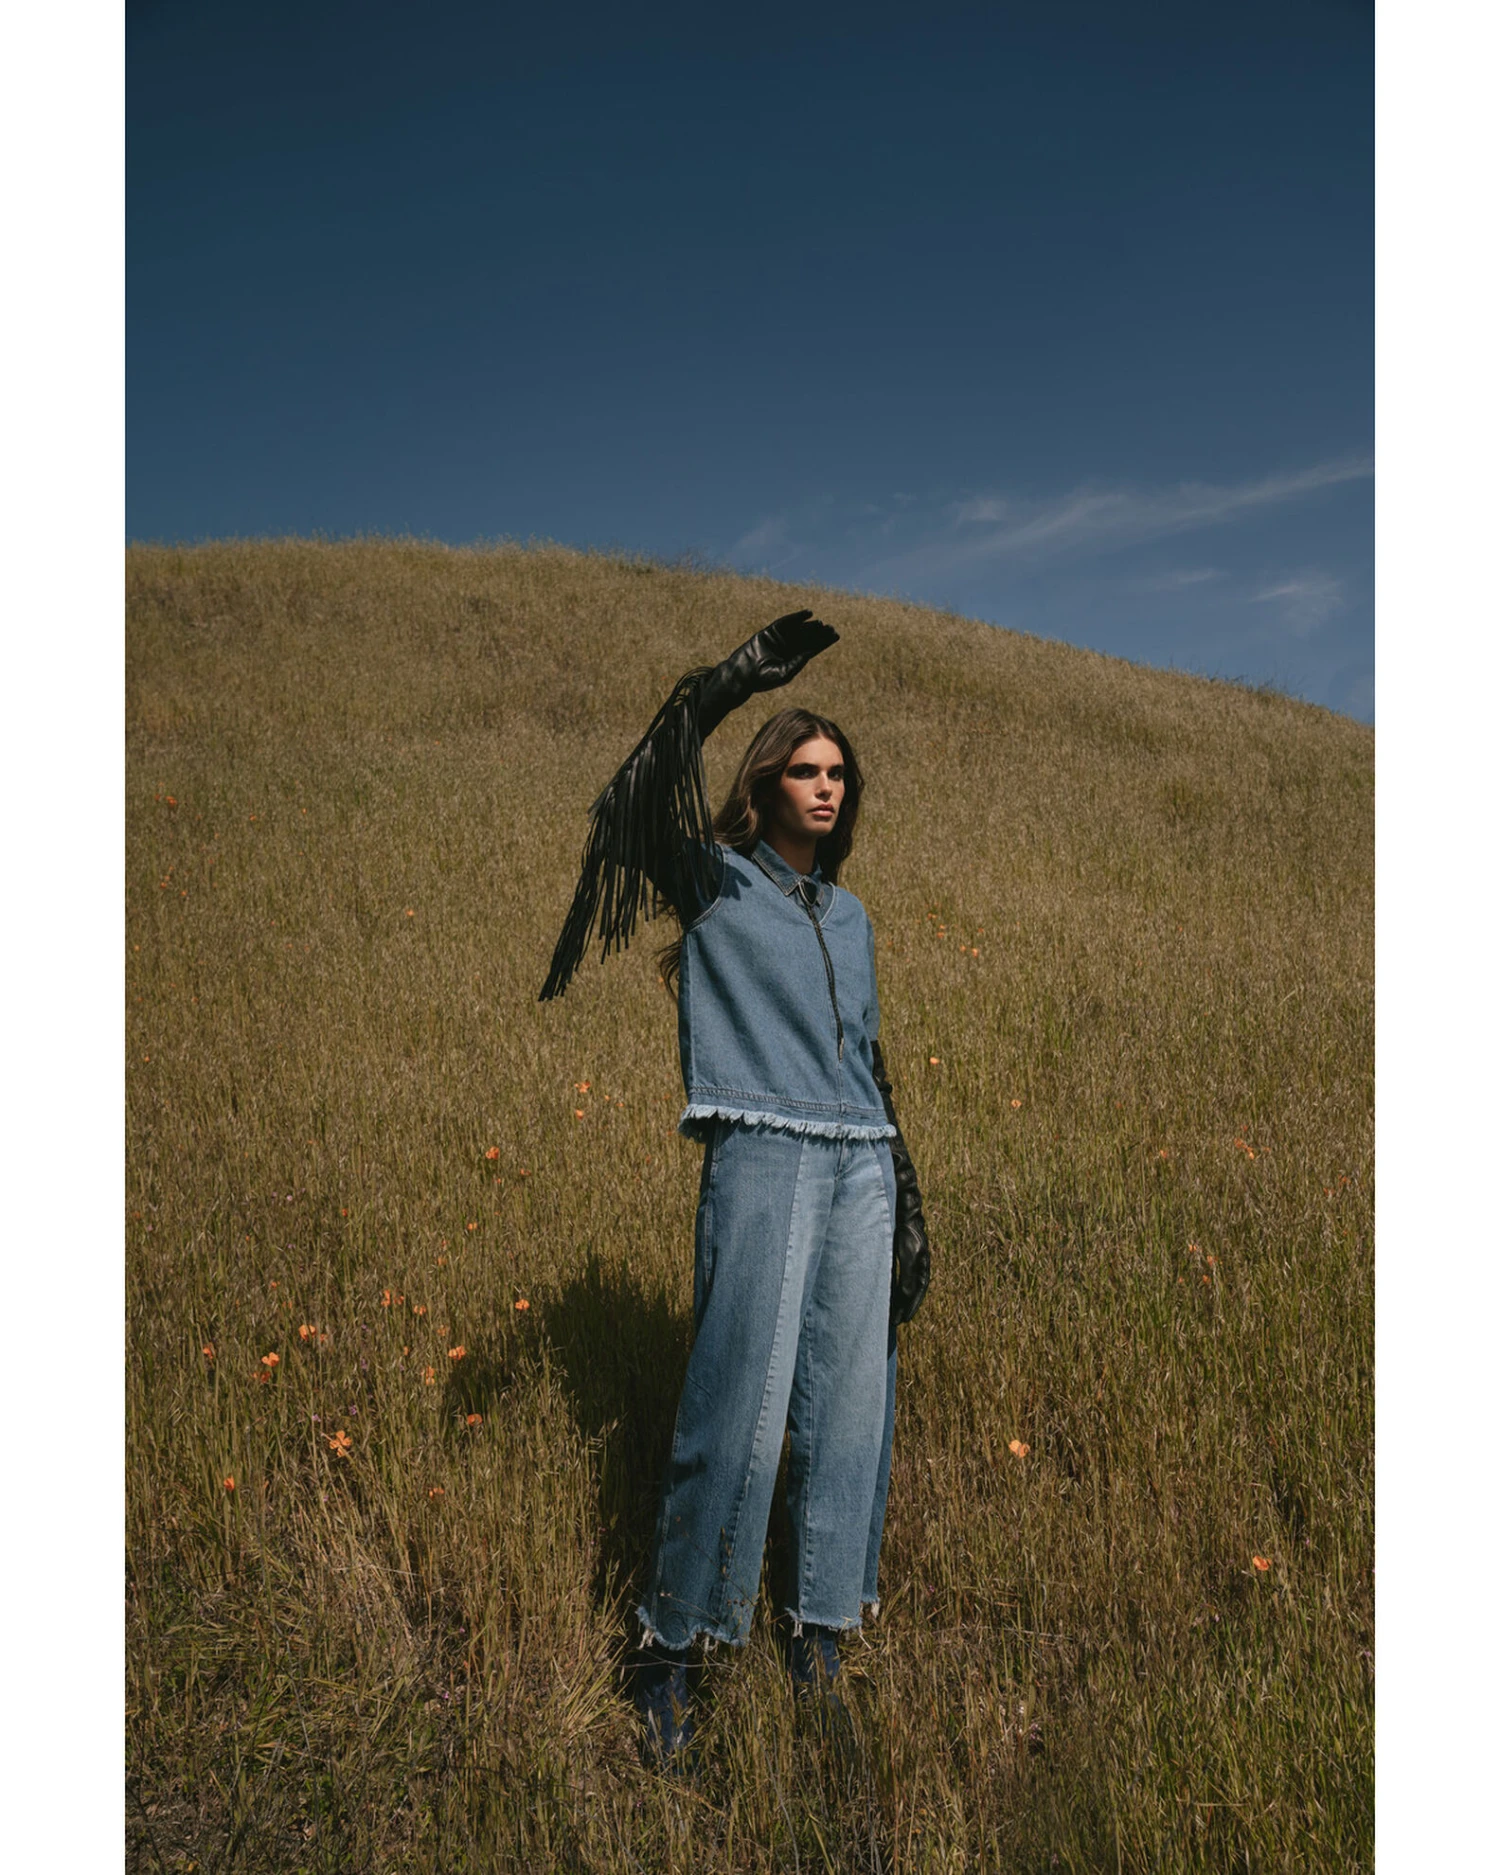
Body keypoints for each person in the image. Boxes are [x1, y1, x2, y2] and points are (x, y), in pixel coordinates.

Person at [539, 610, 930, 1769]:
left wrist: (909, 1201)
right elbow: (627, 804)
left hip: (862, 1164)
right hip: (761, 1151)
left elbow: (870, 1062)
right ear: (763, 785)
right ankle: (671, 1648)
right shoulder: (713, 881)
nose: (827, 786)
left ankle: (816, 1638)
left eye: (838, 773)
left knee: (851, 1413)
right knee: (739, 1409)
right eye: (806, 770)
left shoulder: (851, 915)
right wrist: (724, 683)